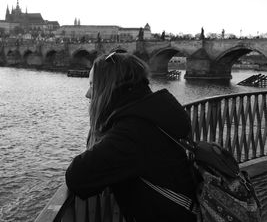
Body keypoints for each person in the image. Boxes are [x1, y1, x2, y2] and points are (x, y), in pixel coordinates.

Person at [65, 52, 197, 221]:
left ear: (109, 87)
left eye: (93, 85)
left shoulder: (134, 131)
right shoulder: (155, 112)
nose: (88, 94)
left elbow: (77, 177)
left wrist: (99, 128)